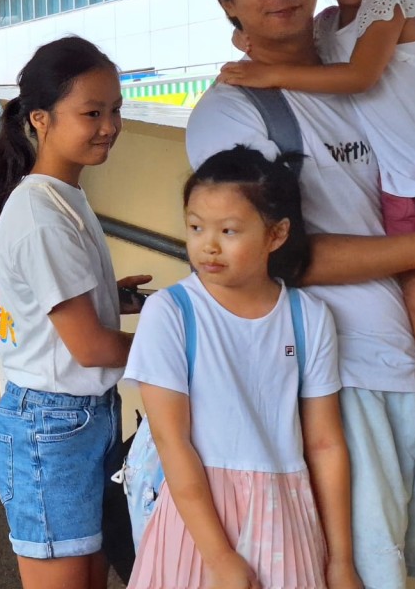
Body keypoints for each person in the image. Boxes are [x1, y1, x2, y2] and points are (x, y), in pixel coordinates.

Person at [187, 0, 415, 588]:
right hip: (342, 385)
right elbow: (278, 259)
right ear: (227, 3)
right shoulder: (234, 113)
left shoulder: (350, 62)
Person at [126, 147, 359, 589]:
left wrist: (340, 560)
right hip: (199, 520)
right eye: (195, 227)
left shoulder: (307, 317)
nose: (207, 245)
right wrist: (218, 557)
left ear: (277, 235)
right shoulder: (171, 312)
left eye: (229, 230)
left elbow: (326, 444)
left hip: (286, 514)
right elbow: (172, 441)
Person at [0, 36, 149, 588]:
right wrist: (186, 341)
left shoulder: (60, 196)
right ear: (41, 119)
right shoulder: (42, 213)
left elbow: (50, 310)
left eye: (116, 109)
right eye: (92, 112)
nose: (110, 125)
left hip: (79, 417)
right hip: (52, 427)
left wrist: (106, 295)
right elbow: (92, 347)